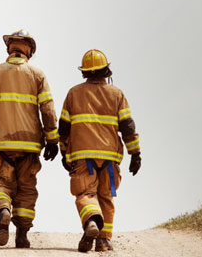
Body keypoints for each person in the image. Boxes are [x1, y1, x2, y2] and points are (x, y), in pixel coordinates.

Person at [0, 29, 59, 248]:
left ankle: (2, 209)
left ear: (10, 48)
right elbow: (47, 109)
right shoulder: (38, 74)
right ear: (30, 50)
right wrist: (53, 139)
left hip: (1, 144)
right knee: (27, 188)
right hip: (30, 145)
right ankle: (22, 235)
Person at [58, 49, 141, 252]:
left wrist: (63, 151)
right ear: (106, 71)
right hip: (110, 157)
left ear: (84, 72)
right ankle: (103, 240)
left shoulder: (73, 93)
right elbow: (128, 127)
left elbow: (63, 128)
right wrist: (135, 153)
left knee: (86, 193)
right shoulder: (117, 94)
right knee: (106, 197)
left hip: (82, 155)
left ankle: (91, 221)